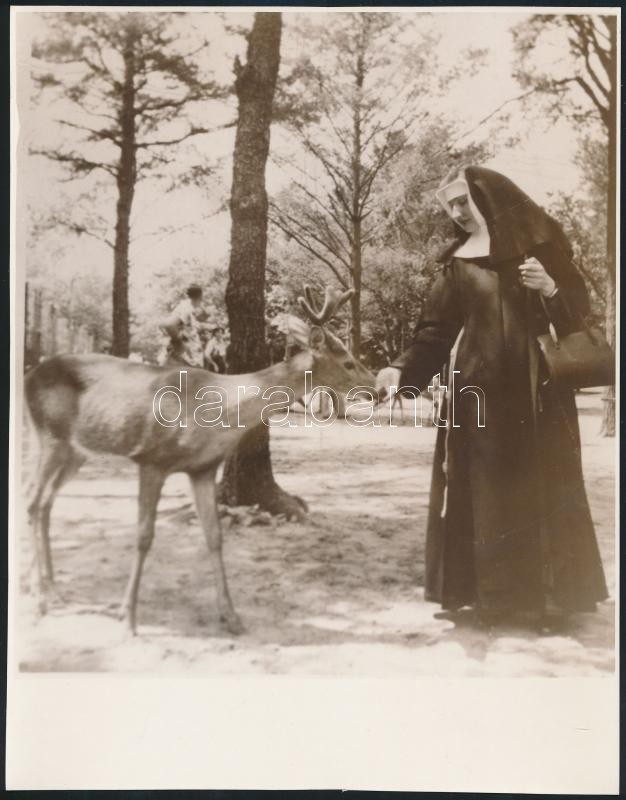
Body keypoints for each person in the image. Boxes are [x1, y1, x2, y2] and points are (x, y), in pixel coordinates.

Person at [391, 164, 608, 628]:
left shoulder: (539, 251)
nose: (456, 212)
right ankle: (487, 597)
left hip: (536, 389)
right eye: (449, 205)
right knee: (481, 489)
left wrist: (550, 288)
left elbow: (577, 318)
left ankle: (547, 601)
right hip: (478, 390)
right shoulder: (458, 260)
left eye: (462, 201)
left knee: (541, 485)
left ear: (486, 199)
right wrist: (400, 370)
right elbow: (435, 331)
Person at [159, 283, 212, 368]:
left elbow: (165, 325)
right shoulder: (186, 308)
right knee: (183, 376)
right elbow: (169, 324)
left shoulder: (188, 307)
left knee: (188, 375)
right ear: (200, 296)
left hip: (189, 358)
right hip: (185, 358)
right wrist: (179, 343)